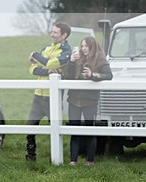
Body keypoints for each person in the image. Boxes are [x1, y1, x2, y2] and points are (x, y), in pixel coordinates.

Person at [25, 22, 72, 162]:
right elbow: (32, 69)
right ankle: (31, 156)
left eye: (55, 32)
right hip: (38, 96)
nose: (52, 34)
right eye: (52, 31)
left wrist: (35, 55)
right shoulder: (46, 48)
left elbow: (50, 63)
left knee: (55, 130)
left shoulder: (66, 52)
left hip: (53, 98)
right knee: (30, 127)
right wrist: (47, 71)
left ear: (64, 35)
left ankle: (56, 159)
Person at [64, 36, 112, 165]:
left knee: (90, 130)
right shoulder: (78, 58)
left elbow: (108, 75)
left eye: (86, 46)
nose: (84, 49)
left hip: (90, 100)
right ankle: (73, 160)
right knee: (74, 130)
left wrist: (92, 75)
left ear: (92, 46)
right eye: (82, 46)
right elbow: (67, 76)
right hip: (74, 99)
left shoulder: (100, 59)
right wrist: (71, 62)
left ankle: (90, 160)